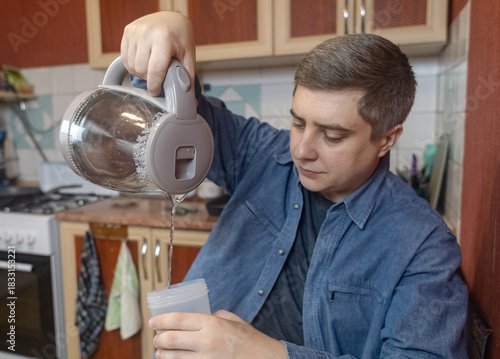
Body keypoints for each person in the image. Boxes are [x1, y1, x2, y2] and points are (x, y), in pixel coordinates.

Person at [121, 12, 468, 359]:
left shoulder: (423, 246)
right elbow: (174, 118)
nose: (301, 151)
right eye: (298, 123)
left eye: (332, 136)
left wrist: (264, 353)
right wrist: (166, 42)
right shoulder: (263, 154)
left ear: (386, 140)